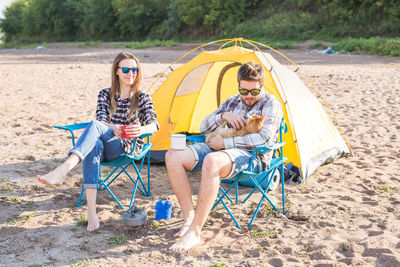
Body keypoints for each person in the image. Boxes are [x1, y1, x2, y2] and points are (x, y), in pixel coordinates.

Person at [166, 62, 283, 251]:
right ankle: (188, 220)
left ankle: (195, 233)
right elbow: (203, 126)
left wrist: (226, 144)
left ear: (261, 86)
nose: (248, 96)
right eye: (244, 90)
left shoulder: (271, 103)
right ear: (238, 85)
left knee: (212, 161)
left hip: (253, 156)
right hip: (218, 147)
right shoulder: (232, 101)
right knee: (173, 156)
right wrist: (224, 116)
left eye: (254, 92)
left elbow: (264, 138)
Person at [37, 52, 159, 232]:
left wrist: (141, 130)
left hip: (127, 147)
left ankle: (64, 169)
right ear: (116, 71)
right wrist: (112, 128)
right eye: (126, 69)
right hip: (105, 144)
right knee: (94, 143)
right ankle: (91, 214)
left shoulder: (142, 97)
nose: (130, 73)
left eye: (134, 69)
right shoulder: (105, 94)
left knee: (94, 128)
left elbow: (155, 124)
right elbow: (101, 120)